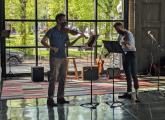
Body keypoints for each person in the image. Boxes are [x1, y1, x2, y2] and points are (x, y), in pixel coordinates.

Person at [41, 13, 85, 107]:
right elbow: (43, 41)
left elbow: (69, 45)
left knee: (63, 78)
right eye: (63, 20)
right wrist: (52, 48)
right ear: (58, 21)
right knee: (53, 78)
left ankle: (60, 98)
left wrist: (78, 37)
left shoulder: (65, 32)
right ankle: (50, 99)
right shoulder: (51, 31)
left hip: (64, 57)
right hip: (54, 57)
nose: (65, 21)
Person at [113, 22, 139, 100]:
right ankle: (129, 93)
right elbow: (118, 44)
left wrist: (125, 43)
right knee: (127, 74)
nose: (117, 31)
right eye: (116, 29)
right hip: (125, 54)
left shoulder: (129, 34)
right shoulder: (120, 35)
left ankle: (137, 92)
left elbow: (131, 47)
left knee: (133, 73)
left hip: (131, 54)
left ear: (121, 27)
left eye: (118, 29)